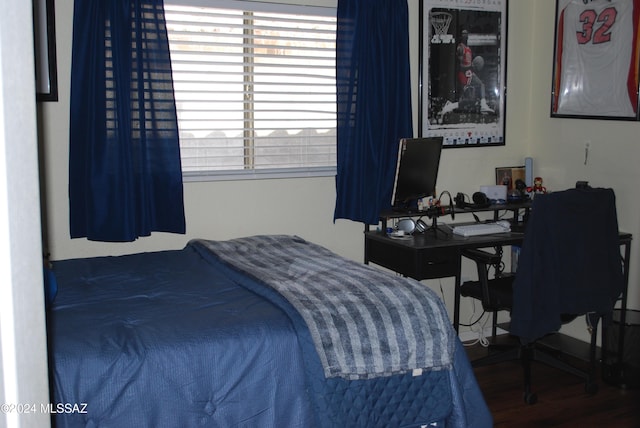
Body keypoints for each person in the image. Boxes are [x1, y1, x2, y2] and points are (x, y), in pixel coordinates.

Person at [439, 29, 494, 120]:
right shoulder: (460, 47)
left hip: (468, 72)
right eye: (464, 35)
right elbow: (459, 64)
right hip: (463, 73)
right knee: (472, 94)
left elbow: (468, 63)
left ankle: (450, 105)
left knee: (478, 89)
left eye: (466, 35)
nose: (466, 36)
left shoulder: (468, 48)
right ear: (462, 37)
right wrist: (470, 67)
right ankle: (450, 106)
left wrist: (472, 66)